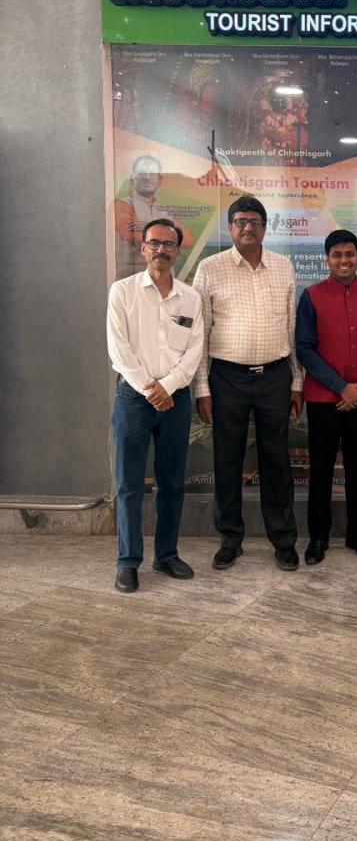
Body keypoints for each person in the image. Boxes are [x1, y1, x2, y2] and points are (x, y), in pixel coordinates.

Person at [193, 196, 304, 572]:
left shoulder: (283, 266)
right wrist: (202, 388)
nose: (247, 228)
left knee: (277, 462)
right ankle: (230, 539)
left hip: (275, 376)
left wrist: (297, 381)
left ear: (265, 228)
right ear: (230, 228)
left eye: (255, 221)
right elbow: (200, 333)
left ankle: (284, 541)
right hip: (227, 378)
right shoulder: (210, 268)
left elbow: (291, 326)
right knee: (227, 461)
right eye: (240, 221)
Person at [107, 220, 204, 593]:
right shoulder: (123, 291)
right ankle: (128, 561)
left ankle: (166, 555)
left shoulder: (190, 298)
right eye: (154, 243)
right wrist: (151, 388)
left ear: (178, 251)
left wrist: (168, 386)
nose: (161, 249)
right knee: (129, 484)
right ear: (143, 248)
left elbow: (194, 350)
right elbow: (118, 349)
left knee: (172, 483)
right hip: (134, 398)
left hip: (176, 398)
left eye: (169, 244)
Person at [296, 230, 357, 565]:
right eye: (337, 255)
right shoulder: (311, 296)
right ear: (327, 259)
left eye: (350, 254)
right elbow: (305, 348)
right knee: (320, 469)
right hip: (324, 399)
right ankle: (318, 537)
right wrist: (341, 387)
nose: (344, 260)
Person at [114, 155, 195, 279]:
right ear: (132, 177)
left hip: (165, 281)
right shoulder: (123, 205)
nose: (148, 177)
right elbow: (131, 235)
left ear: (160, 180)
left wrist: (146, 226)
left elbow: (188, 240)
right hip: (133, 280)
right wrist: (170, 238)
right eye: (142, 173)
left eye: (152, 173)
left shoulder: (164, 210)